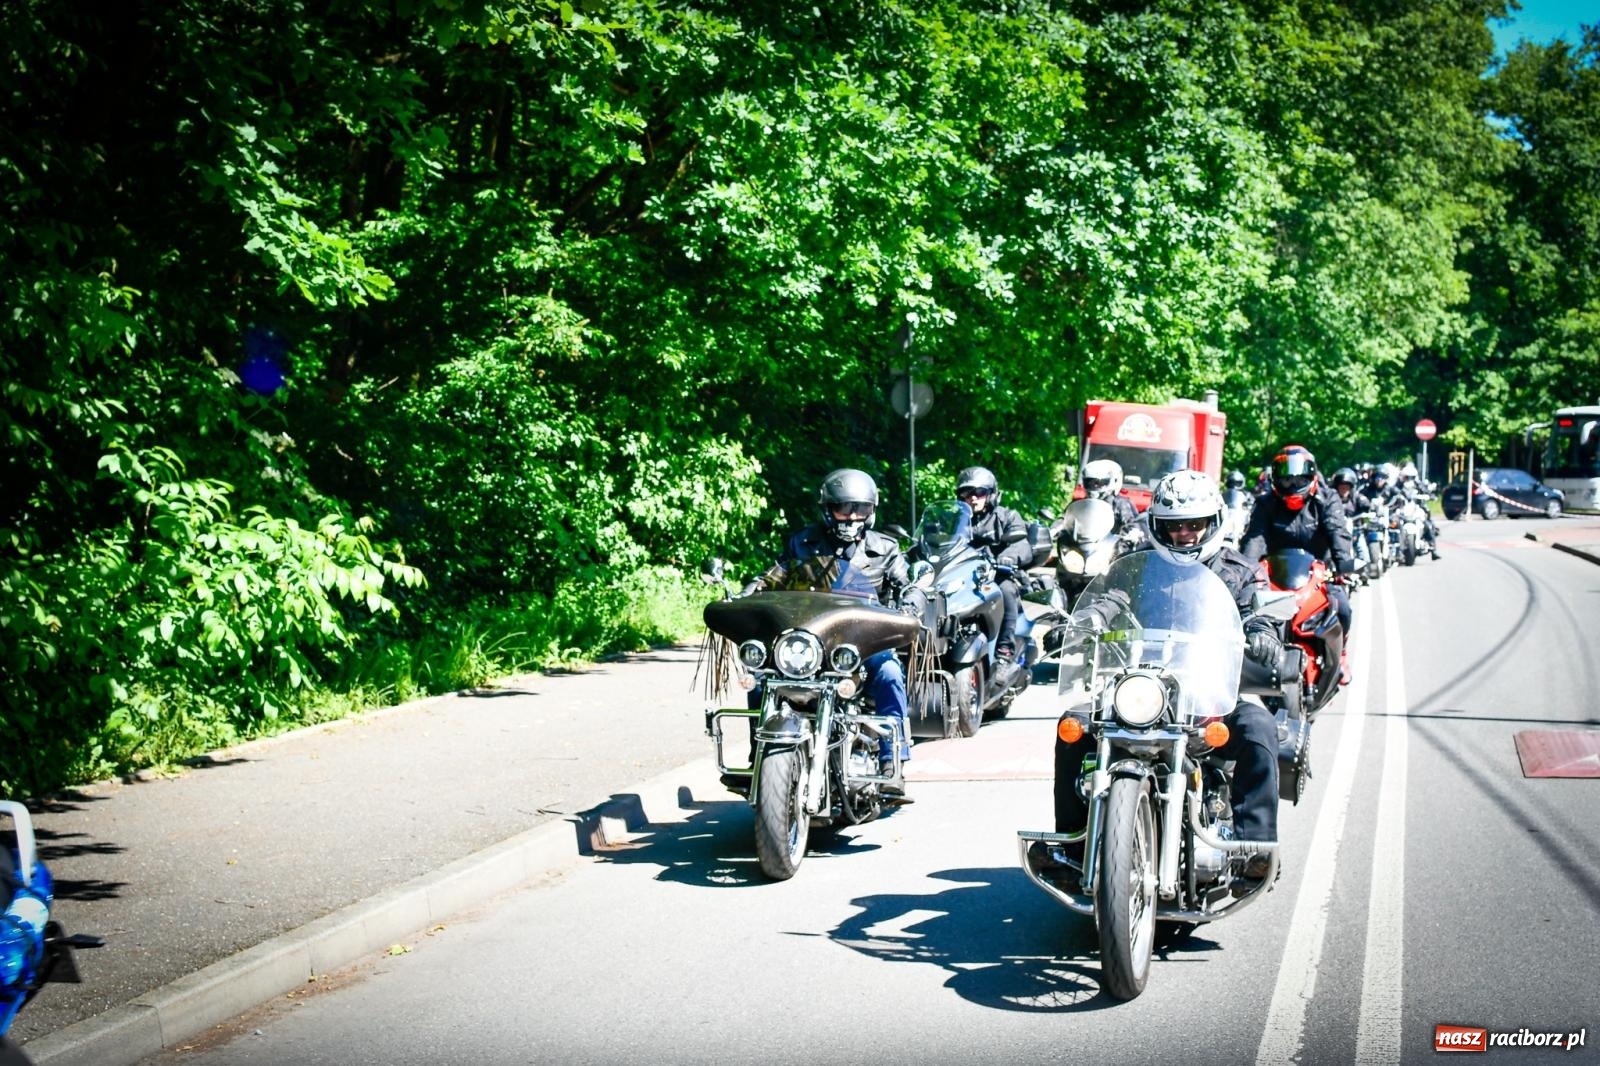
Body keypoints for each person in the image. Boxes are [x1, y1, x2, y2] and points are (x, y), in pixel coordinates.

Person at [1047, 470, 1285, 881]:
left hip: (1210, 695)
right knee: (1073, 727)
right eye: (1174, 526)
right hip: (1143, 690)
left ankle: (1254, 847)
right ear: (1159, 527)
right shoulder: (1139, 567)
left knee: (1260, 726)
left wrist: (1263, 632)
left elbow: (1258, 612)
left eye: (1195, 525)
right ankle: (1072, 843)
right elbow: (1110, 597)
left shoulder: (1241, 570)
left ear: (1213, 523)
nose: (1185, 534)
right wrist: (1083, 620)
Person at [742, 468, 924, 786]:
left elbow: (909, 583)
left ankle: (892, 757)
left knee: (889, 671)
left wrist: (911, 601)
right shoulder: (802, 543)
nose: (852, 516)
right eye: (844, 508)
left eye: (860, 508)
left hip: (862, 642)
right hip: (810, 641)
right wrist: (749, 592)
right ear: (828, 509)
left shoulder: (885, 548)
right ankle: (760, 753)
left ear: (871, 510)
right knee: (761, 679)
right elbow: (772, 577)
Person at [1240, 445, 1356, 664]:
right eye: (1286, 479)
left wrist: (1343, 563)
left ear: (1311, 475)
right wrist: (1244, 569)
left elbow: (1337, 531)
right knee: (1247, 613)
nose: (1292, 484)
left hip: (1321, 572)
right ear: (1275, 478)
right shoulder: (1265, 503)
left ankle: (1340, 654)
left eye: (1298, 478)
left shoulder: (1328, 498)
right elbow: (1255, 537)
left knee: (1344, 609)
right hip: (1276, 574)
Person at [954, 466, 1033, 679]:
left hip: (995, 575)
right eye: (966, 492)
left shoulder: (1006, 517)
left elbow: (1022, 545)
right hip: (961, 575)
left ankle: (1004, 653)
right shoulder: (953, 519)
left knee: (1006, 590)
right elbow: (937, 539)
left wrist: (1009, 557)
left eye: (979, 492)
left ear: (991, 494)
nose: (973, 497)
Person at [1079, 458, 1143, 542]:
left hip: (1111, 548)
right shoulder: (1082, 504)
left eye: (1100, 483)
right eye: (1090, 482)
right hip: (1084, 544)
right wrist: (1056, 529)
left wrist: (1132, 532)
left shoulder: (1120, 503)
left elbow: (1130, 522)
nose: (1094, 486)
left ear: (1115, 481)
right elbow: (1066, 518)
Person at [1329, 466, 1372, 570]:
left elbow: (1367, 504)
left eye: (1346, 487)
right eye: (1341, 486)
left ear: (1351, 487)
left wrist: (1369, 509)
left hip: (1355, 531)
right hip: (1336, 533)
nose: (1344, 489)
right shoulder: (1330, 499)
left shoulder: (1357, 497)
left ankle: (1363, 573)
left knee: (1364, 554)